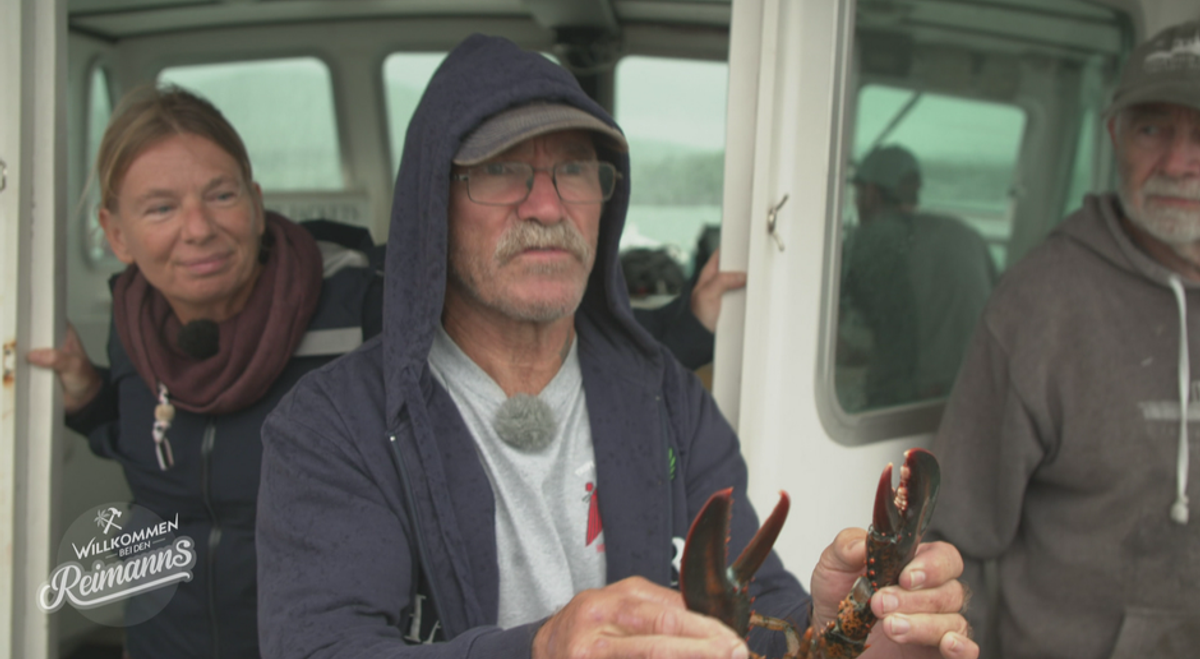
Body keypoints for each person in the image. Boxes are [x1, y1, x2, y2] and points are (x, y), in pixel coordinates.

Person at [256, 34, 975, 659]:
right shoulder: (329, 426)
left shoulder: (669, 396)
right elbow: (319, 646)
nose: (546, 205)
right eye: (501, 168)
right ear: (430, 205)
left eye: (574, 169)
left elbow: (754, 618)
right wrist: (535, 647)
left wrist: (839, 628)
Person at [27, 86, 382, 658]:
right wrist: (87, 393)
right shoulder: (134, 323)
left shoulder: (358, 306)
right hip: (165, 638)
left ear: (255, 201)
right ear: (117, 233)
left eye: (220, 195)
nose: (198, 229)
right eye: (161, 208)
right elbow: (150, 439)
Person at [927, 19, 1200, 659]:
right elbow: (952, 541)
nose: (1180, 162)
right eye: (1153, 127)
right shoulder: (1042, 303)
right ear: (1114, 135)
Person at [840, 145, 996, 408]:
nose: (856, 203)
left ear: (871, 194)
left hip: (906, 401)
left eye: (857, 193)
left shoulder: (867, 241)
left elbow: (836, 337)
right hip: (974, 395)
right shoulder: (965, 234)